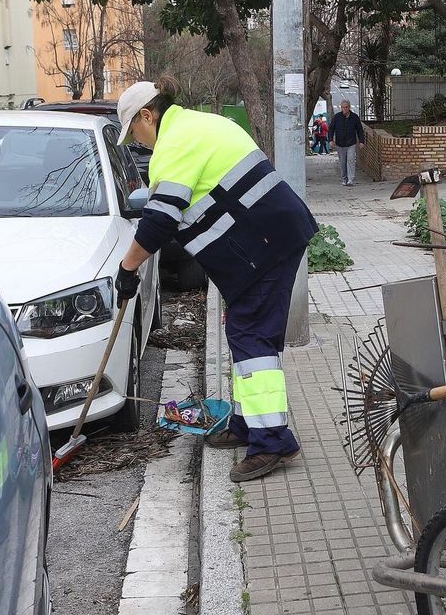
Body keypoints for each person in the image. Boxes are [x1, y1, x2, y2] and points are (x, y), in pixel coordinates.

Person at [113, 78, 318, 482]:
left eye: (133, 131)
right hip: (265, 241)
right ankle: (248, 425)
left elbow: (160, 219)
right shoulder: (198, 125)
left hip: (265, 247)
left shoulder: (176, 142)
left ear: (147, 116)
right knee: (248, 334)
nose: (137, 141)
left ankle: (273, 441)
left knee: (252, 337)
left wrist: (127, 269)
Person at [330, 99, 366, 186]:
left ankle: (350, 179)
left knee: (350, 160)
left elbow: (359, 130)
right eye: (343, 107)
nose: (344, 109)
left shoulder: (355, 117)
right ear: (341, 108)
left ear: (349, 107)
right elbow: (331, 128)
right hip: (340, 144)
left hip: (351, 143)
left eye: (346, 107)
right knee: (342, 162)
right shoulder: (337, 117)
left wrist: (361, 141)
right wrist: (330, 140)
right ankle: (344, 179)